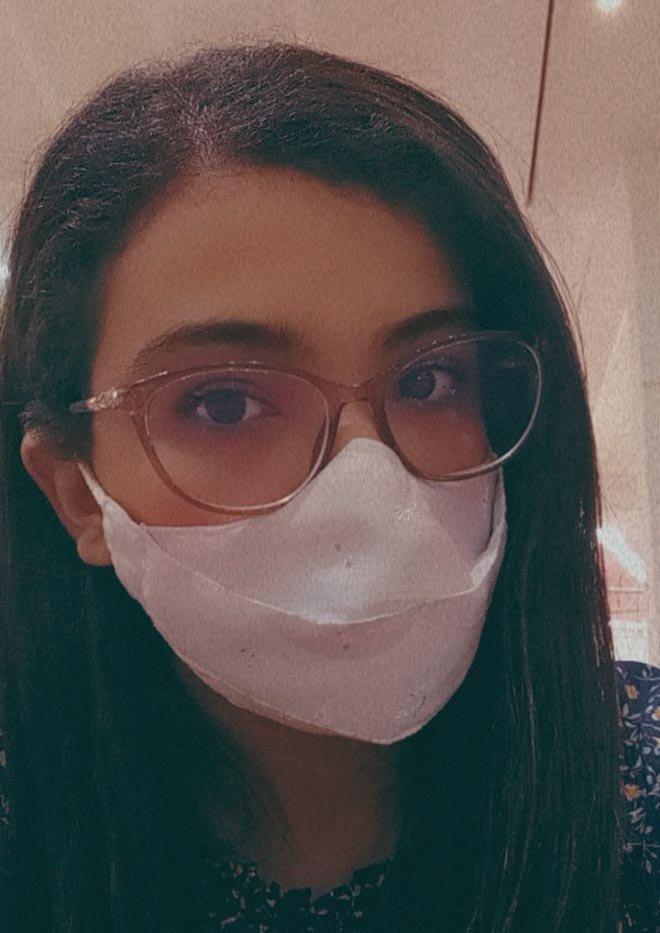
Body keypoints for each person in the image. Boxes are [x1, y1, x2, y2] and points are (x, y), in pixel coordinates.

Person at [0, 40, 657, 933]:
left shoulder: (637, 774)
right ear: (76, 492)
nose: (367, 498)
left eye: (430, 381)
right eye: (224, 402)